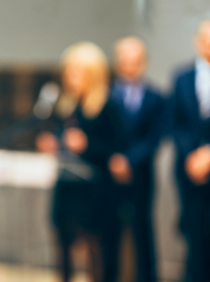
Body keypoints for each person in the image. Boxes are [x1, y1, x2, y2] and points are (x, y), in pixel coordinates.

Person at [36, 42, 121, 282]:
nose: (71, 78)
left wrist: (88, 145)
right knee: (62, 242)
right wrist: (52, 144)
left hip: (97, 192)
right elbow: (57, 137)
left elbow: (117, 148)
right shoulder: (65, 105)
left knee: (98, 251)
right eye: (68, 71)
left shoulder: (108, 105)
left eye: (78, 71)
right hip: (67, 186)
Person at [106, 36, 165, 282]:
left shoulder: (157, 98)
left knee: (143, 231)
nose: (130, 66)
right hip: (108, 174)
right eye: (125, 61)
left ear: (144, 62)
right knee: (110, 233)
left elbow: (156, 137)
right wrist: (114, 159)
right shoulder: (105, 96)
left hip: (141, 174)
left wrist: (130, 160)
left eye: (135, 61)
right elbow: (102, 134)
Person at [172, 20, 210, 282]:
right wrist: (193, 156)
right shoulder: (181, 77)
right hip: (190, 169)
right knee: (193, 232)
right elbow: (175, 124)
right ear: (197, 41)